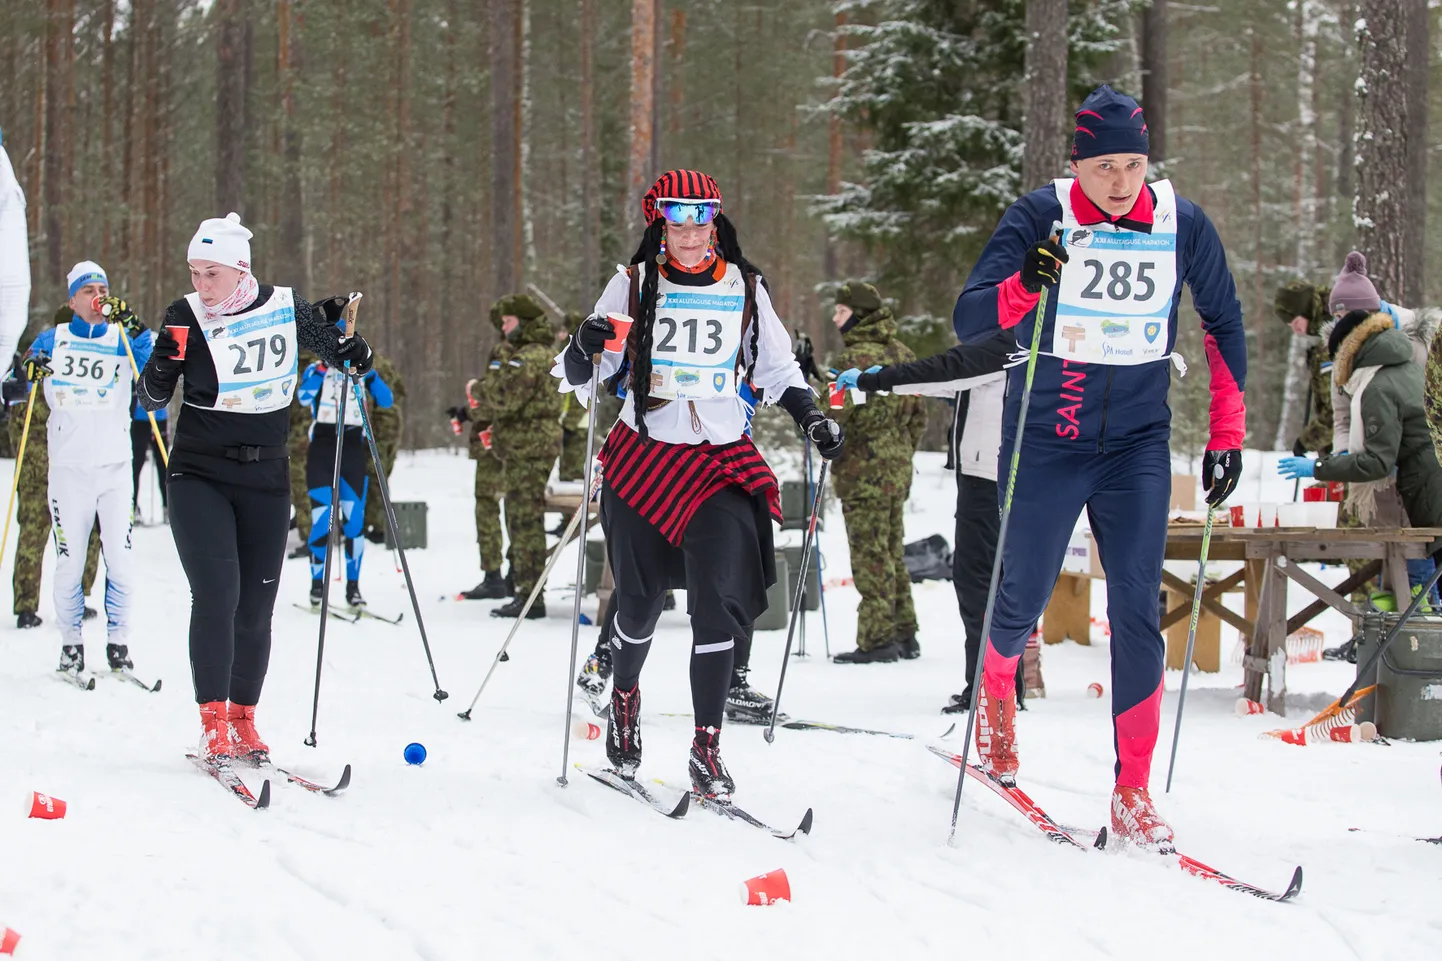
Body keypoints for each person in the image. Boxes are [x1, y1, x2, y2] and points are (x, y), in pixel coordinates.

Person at [953, 86, 1246, 848]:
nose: (1122, 181)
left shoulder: (1181, 222)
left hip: (1137, 443)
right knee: (1023, 593)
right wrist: (1026, 284)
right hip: (1050, 435)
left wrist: (1228, 431)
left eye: (1135, 164)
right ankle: (996, 686)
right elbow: (971, 316)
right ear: (1077, 162)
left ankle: (1133, 789)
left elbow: (1222, 320)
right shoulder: (1040, 216)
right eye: (1106, 165)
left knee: (1137, 607)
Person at [556, 169, 843, 799]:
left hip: (717, 462)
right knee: (639, 603)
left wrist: (811, 416)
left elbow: (776, 367)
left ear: (715, 222)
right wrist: (584, 342)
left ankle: (706, 746)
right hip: (643, 459)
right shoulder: (632, 284)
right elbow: (583, 372)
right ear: (661, 222)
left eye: (700, 222)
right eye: (677, 222)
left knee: (720, 610)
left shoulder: (744, 286)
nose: (689, 235)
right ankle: (625, 699)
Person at [136, 212, 372, 764]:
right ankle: (212, 720)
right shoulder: (184, 314)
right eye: (193, 271)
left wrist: (355, 352)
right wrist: (160, 368)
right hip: (200, 474)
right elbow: (150, 398)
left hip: (265, 477)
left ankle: (244, 719)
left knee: (256, 607)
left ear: (239, 268)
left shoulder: (285, 307)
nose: (200, 284)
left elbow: (339, 351)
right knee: (218, 594)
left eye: (210, 273)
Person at [836, 327, 1027, 709]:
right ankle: (998, 686)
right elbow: (948, 384)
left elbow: (947, 369)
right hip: (1005, 474)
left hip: (991, 478)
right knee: (997, 582)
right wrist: (883, 383)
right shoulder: (1016, 346)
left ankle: (991, 689)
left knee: (980, 582)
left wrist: (875, 378)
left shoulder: (1009, 343)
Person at [576, 379, 781, 725]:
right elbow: (630, 381)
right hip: (657, 456)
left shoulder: (746, 342)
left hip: (721, 460)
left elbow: (777, 375)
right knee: (643, 577)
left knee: (736, 571)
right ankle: (604, 658)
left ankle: (734, 679)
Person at [17, 262, 153, 681]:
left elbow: (155, 365)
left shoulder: (121, 340)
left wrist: (134, 323)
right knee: (70, 563)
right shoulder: (52, 337)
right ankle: (71, 647)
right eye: (87, 290)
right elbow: (19, 380)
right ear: (72, 300)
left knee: (121, 561)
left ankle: (119, 643)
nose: (97, 296)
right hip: (69, 471)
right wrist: (29, 371)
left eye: (102, 288)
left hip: (114, 469)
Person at [1280, 307, 1442, 579]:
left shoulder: (1378, 387)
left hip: (1432, 493)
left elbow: (1377, 462)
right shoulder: (1405, 367)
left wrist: (1317, 467)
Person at [825, 281, 927, 663]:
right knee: (891, 550)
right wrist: (900, 450)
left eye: (841, 312)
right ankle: (905, 631)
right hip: (897, 468)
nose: (835, 319)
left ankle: (877, 638)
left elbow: (832, 413)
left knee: (870, 555)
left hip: (861, 471)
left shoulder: (850, 362)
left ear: (859, 315)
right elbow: (920, 415)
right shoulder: (904, 354)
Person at [4, 331, 103, 630]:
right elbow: (15, 420)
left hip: (71, 467)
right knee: (34, 534)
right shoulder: (28, 373)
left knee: (84, 533)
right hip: (38, 470)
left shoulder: (76, 375)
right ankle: (25, 605)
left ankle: (77, 596)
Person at [473, 294, 563, 619]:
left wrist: (478, 389)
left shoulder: (529, 357)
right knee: (521, 516)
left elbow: (505, 396)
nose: (503, 327)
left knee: (524, 520)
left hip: (530, 448)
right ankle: (523, 586)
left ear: (522, 323)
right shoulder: (538, 353)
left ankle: (530, 596)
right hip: (528, 447)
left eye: (508, 322)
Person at [297, 344, 394, 610]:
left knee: (354, 524)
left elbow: (387, 401)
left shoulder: (360, 373)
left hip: (352, 450)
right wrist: (320, 368)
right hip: (323, 450)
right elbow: (303, 398)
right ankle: (317, 585)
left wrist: (370, 374)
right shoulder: (315, 370)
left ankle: (353, 588)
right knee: (321, 522)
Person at [451, 318, 511, 601]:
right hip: (517, 443)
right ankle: (516, 575)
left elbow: (496, 401)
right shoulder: (533, 354)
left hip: (494, 443)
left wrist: (471, 410)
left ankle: (494, 576)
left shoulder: (504, 352)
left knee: (489, 507)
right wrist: (466, 412)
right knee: (514, 507)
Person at [1273, 280, 1334, 455]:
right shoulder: (1327, 340)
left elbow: (1335, 414)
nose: (1296, 330)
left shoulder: (1333, 344)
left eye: (1296, 322)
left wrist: (1306, 442)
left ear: (1307, 310)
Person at [363, 352, 405, 542]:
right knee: (382, 474)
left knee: (375, 475)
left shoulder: (367, 365)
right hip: (394, 424)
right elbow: (401, 392)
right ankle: (377, 520)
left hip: (379, 428)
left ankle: (378, 525)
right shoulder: (385, 363)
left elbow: (368, 403)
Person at [558, 311, 590, 483]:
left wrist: (569, 423)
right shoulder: (568, 351)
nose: (560, 334)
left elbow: (580, 390)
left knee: (572, 474)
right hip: (570, 421)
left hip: (578, 423)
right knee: (566, 472)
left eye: (565, 330)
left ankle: (573, 509)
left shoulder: (578, 354)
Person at [130, 394, 169, 522]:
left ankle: (168, 507)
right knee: (136, 465)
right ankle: (133, 507)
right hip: (140, 417)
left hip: (159, 417)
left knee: (163, 466)